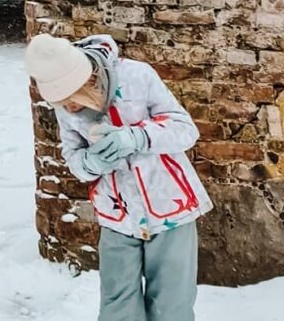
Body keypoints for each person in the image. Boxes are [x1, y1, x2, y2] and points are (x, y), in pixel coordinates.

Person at [24, 33, 211, 321]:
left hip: (169, 206)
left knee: (172, 306)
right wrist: (93, 161)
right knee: (117, 308)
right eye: (59, 103)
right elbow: (75, 159)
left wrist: (136, 137)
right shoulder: (64, 105)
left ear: (85, 81)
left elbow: (185, 130)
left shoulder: (137, 76)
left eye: (70, 99)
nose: (69, 109)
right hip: (117, 214)